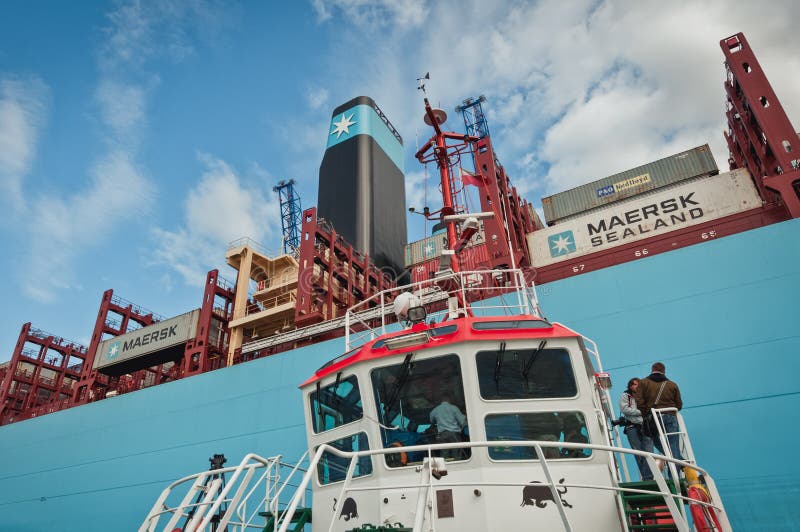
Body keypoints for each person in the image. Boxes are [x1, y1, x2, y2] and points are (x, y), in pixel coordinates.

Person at [638, 362, 683, 461]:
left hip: (653, 417)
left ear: (652, 369)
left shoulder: (643, 382)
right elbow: (679, 405)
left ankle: (670, 456)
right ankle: (677, 467)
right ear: (664, 371)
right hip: (671, 416)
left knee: (654, 439)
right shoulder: (672, 385)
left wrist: (646, 412)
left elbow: (639, 402)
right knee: (674, 445)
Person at [619, 378, 653, 480]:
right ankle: (648, 477)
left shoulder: (645, 396)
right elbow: (625, 409)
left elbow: (650, 408)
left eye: (638, 384)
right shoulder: (625, 396)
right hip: (632, 427)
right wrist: (640, 412)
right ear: (630, 386)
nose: (636, 386)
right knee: (638, 453)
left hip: (646, 425)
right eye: (634, 384)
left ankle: (648, 476)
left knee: (649, 452)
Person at [430, 392, 467, 459]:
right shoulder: (454, 408)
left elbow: (431, 420)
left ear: (441, 400)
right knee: (457, 454)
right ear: (449, 399)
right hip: (454, 434)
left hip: (442, 435)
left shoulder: (435, 410)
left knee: (444, 455)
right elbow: (462, 421)